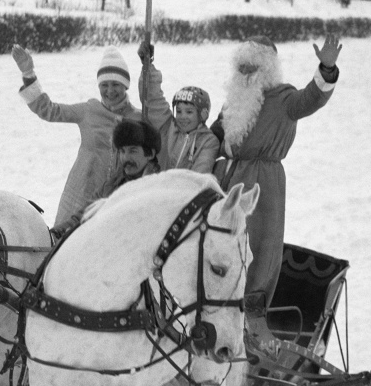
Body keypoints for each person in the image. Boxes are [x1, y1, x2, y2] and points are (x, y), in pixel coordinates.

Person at [209, 33, 342, 351]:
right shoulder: (235, 99)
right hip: (226, 178)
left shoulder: (283, 98)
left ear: (267, 68)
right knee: (219, 241)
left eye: (252, 66)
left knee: (258, 243)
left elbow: (311, 99)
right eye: (241, 65)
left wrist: (326, 69)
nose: (245, 71)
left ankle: (252, 314)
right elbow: (212, 133)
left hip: (262, 181)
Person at [11, 44, 142, 229]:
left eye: (116, 84)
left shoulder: (138, 118)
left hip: (119, 193)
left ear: (125, 85)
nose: (110, 91)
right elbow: (49, 110)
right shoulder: (89, 110)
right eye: (104, 85)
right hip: (83, 190)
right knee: (66, 243)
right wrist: (28, 74)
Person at [50, 119, 161, 238]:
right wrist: (57, 232)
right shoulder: (112, 185)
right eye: (122, 151)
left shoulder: (157, 189)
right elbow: (84, 215)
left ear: (150, 154)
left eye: (133, 151)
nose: (125, 158)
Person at [136, 43, 219, 174]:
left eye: (189, 112)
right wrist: (148, 66)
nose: (182, 116)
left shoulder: (208, 141)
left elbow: (201, 172)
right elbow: (152, 100)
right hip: (158, 188)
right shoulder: (169, 128)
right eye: (179, 111)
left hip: (185, 192)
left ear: (203, 115)